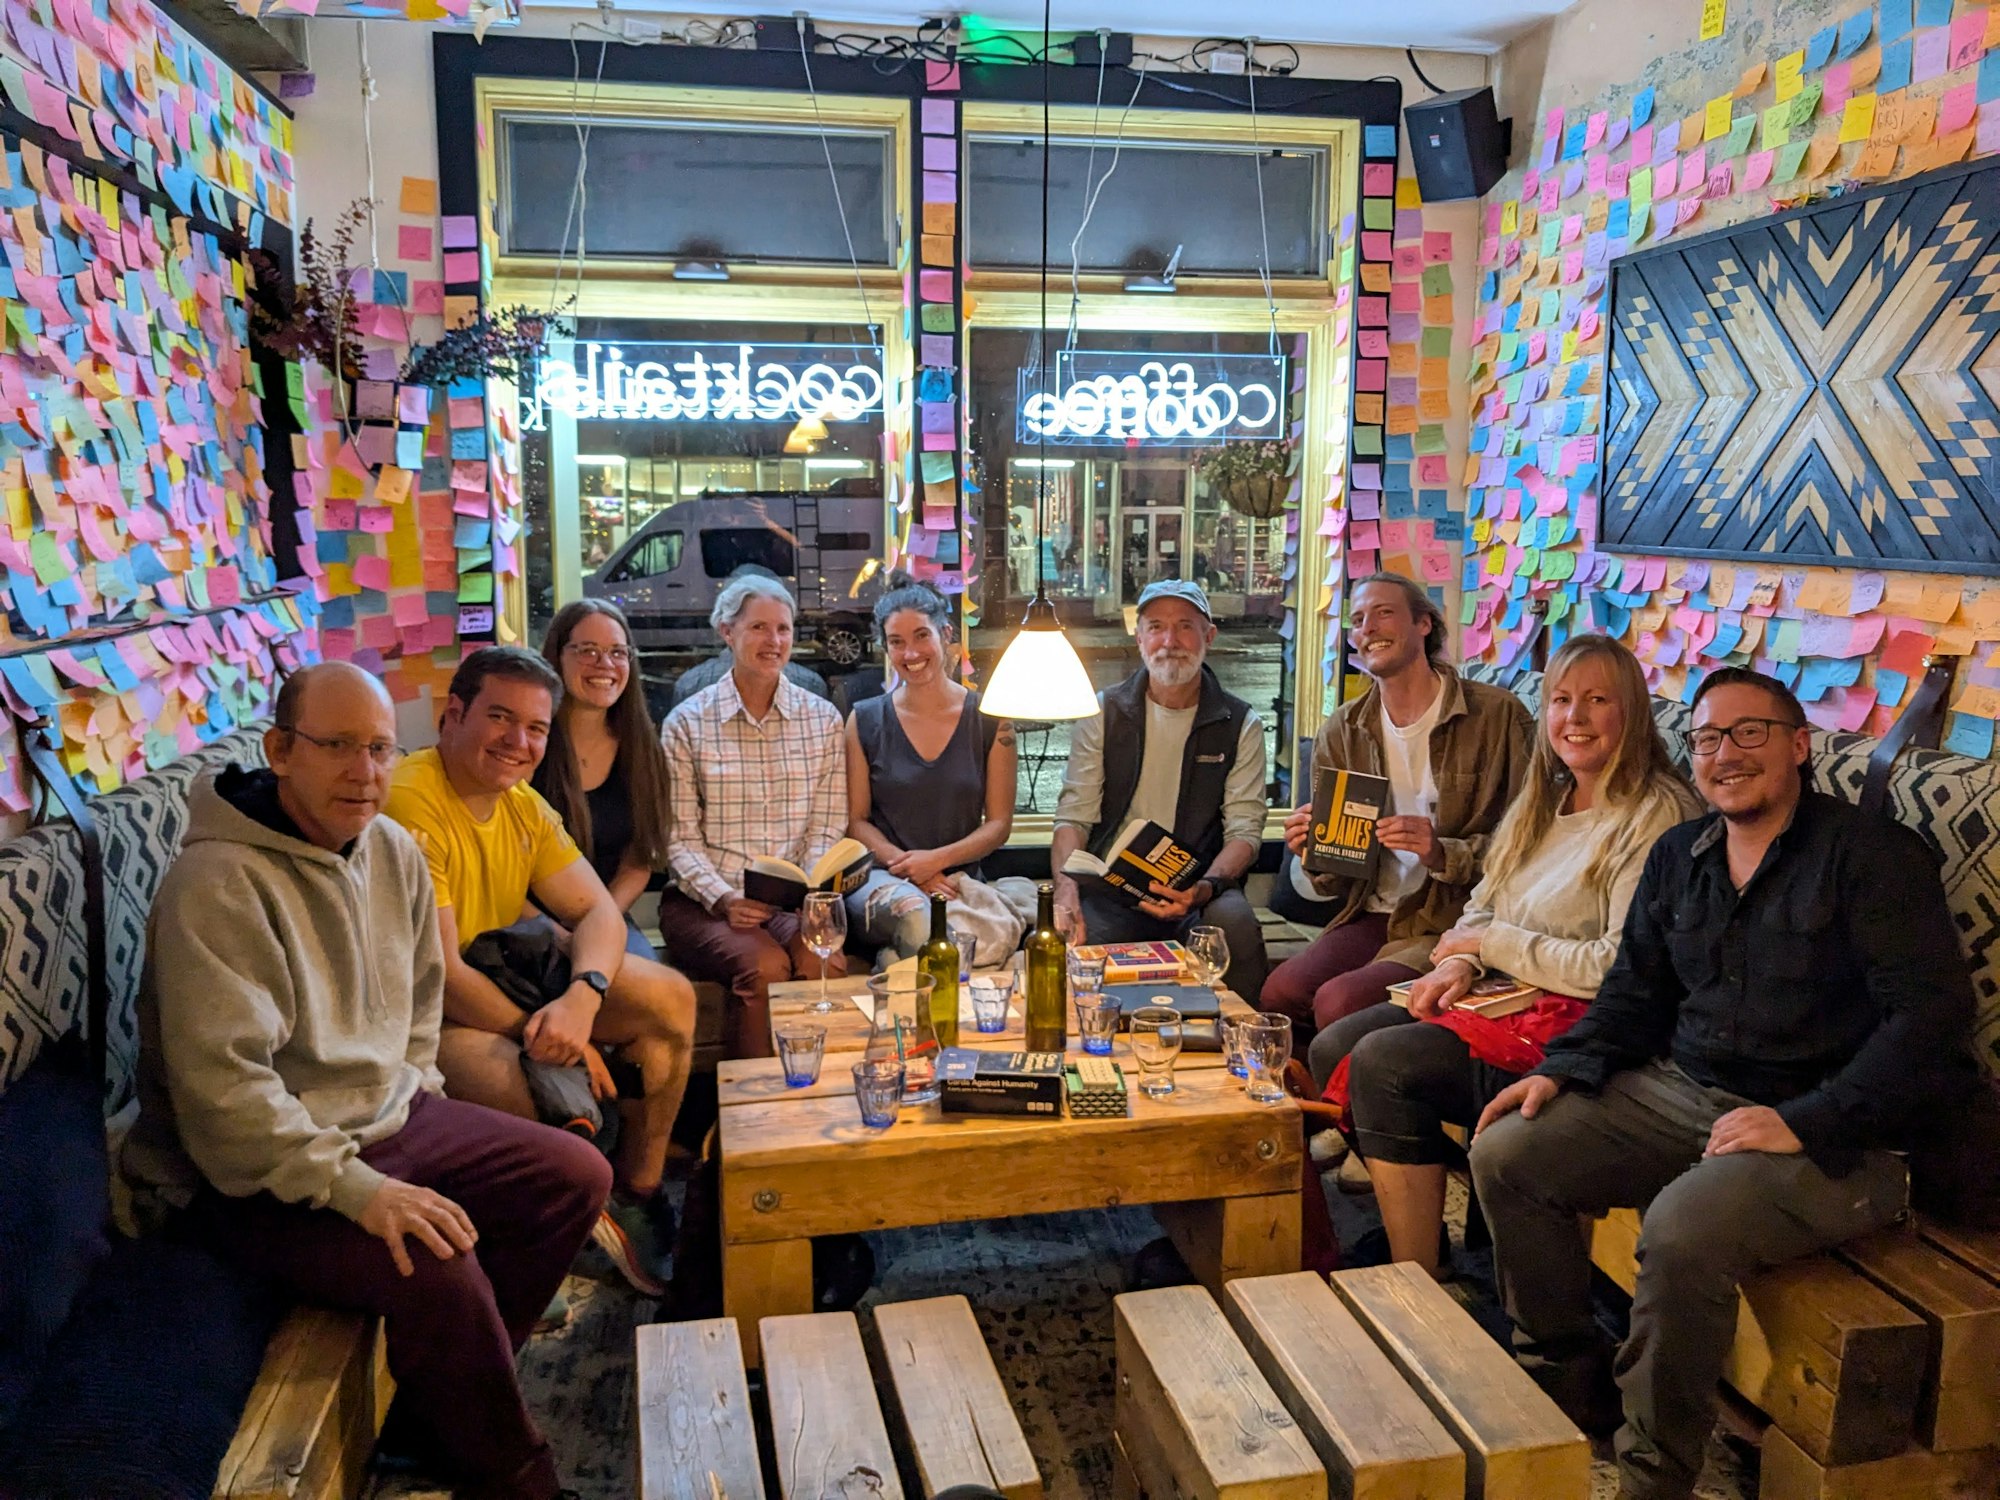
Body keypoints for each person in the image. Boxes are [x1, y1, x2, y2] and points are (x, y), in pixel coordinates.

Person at [1470, 667, 1978, 1500]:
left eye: (1751, 733)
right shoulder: (1682, 855)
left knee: (1680, 1229)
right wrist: (1562, 1073)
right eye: (1708, 738)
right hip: (1685, 1093)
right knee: (1507, 1153)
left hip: (1849, 1135)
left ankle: (1652, 1473)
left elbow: (1930, 1023)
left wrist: (1806, 1120)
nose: (1726, 755)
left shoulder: (1873, 858)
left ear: (1798, 746)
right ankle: (1571, 1388)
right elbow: (1634, 995)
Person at [122, 662, 608, 1500]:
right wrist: (360, 1192)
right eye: (338, 746)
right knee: (438, 1262)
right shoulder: (216, 885)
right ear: (280, 750)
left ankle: (437, 1409)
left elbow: (419, 1004)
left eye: (381, 748)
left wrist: (419, 1091)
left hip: (390, 1119)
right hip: (250, 1177)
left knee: (575, 1176)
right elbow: (227, 1104)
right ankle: (514, 1477)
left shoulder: (387, 849)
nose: (365, 771)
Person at [1305, 634, 1700, 1274]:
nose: (1574, 718)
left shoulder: (1656, 815)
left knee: (1384, 1063)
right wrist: (1460, 961)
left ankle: (1418, 1281)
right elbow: (1485, 901)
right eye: (1561, 700)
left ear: (1631, 712)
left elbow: (1614, 967)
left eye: (1597, 700)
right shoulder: (1545, 796)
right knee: (1332, 1046)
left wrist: (1488, 946)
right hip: (1504, 992)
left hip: (1583, 1026)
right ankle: (1425, 1240)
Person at [384, 646, 695, 1295]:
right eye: (500, 718)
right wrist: (557, 1041)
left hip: (508, 979)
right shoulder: (412, 802)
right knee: (526, 1087)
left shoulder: (521, 804)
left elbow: (601, 917)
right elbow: (438, 976)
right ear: (453, 716)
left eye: (535, 727)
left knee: (670, 1000)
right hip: (421, 1019)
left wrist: (583, 999)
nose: (518, 741)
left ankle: (635, 1194)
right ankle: (531, 1242)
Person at [1265, 573, 1533, 1031]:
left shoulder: (1497, 716)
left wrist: (1441, 852)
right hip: (1374, 912)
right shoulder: (1343, 729)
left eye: (1383, 612)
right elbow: (1335, 878)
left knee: (1337, 1002)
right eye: (1358, 619)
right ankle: (1309, 1102)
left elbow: (1531, 843)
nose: (1367, 627)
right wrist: (1312, 853)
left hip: (1453, 916)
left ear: (1424, 624)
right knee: (1279, 993)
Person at [1051, 579, 1269, 1001]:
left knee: (1237, 932)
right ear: (1139, 638)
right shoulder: (1103, 712)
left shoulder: (1240, 722)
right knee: (1070, 942)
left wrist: (1203, 886)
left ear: (1209, 637)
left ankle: (1242, 1047)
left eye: (1185, 626)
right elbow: (1074, 816)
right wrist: (1066, 888)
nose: (1170, 641)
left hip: (1200, 888)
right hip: (1114, 889)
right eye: (1156, 627)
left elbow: (1245, 833)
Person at [660, 573, 848, 1058]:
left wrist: (809, 892)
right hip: (707, 903)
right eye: (759, 628)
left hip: (791, 903)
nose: (775, 641)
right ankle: (756, 1117)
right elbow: (676, 839)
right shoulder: (687, 722)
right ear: (727, 632)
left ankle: (823, 1103)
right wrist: (723, 899)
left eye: (783, 629)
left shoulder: (822, 718)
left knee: (822, 959)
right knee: (764, 968)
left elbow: (827, 822)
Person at [844, 577, 1023, 962]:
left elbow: (999, 825)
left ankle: (892, 966)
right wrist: (913, 869)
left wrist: (937, 862)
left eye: (921, 636)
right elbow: (856, 822)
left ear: (946, 636)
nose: (910, 653)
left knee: (915, 951)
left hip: (957, 883)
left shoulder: (992, 720)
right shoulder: (864, 720)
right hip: (883, 880)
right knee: (920, 925)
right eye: (896, 642)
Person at [532, 599, 674, 956]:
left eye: (617, 652)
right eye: (588, 651)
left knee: (650, 992)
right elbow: (501, 872)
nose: (605, 664)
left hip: (606, 914)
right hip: (525, 921)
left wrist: (599, 922)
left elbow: (639, 859)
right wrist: (558, 934)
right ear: (557, 656)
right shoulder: (528, 745)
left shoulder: (642, 749)